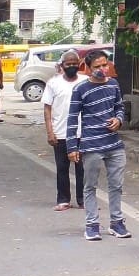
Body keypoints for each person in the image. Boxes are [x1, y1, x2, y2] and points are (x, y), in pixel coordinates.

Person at [67, 49, 128, 241]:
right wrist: (71, 147)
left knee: (116, 185)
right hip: (91, 145)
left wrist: (119, 120)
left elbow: (120, 106)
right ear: (87, 68)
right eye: (97, 67)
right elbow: (72, 118)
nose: (102, 69)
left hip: (114, 144)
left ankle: (117, 222)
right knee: (90, 186)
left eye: (104, 65)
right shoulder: (80, 89)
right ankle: (92, 224)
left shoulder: (113, 84)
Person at [45, 50, 85, 211]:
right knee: (62, 168)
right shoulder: (53, 83)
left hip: (82, 133)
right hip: (60, 133)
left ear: (79, 64)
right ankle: (63, 199)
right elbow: (47, 109)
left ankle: (83, 200)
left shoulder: (85, 82)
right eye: (68, 64)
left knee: (83, 169)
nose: (71, 66)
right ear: (62, 65)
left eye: (74, 64)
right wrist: (49, 132)